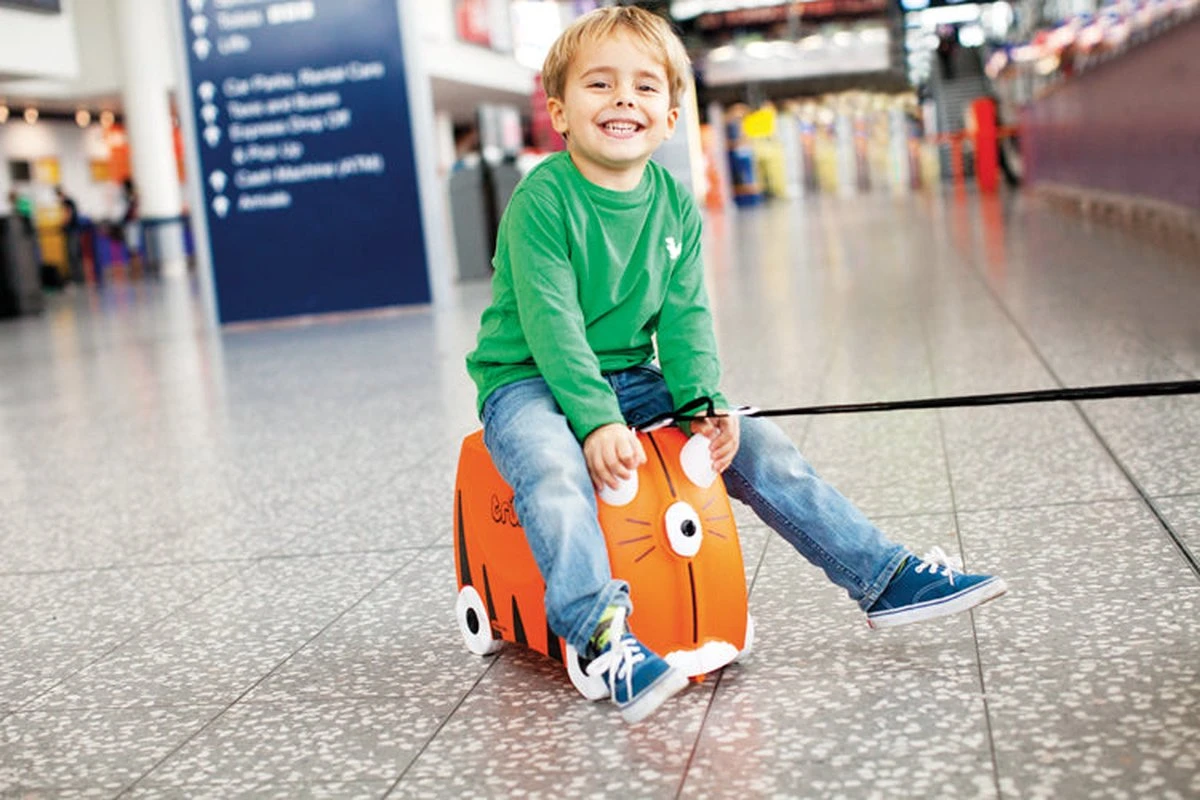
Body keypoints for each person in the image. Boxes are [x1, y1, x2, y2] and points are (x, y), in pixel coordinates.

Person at [465, 6, 1007, 725]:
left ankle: (883, 577)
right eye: (600, 84)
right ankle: (597, 634)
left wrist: (703, 405)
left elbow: (685, 319)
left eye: (645, 87)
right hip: (527, 380)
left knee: (758, 441)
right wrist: (594, 423)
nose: (624, 99)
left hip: (627, 376)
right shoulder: (542, 201)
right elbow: (553, 325)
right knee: (551, 465)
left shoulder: (673, 206)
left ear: (669, 118)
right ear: (560, 111)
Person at [55, 186, 83, 283]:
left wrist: (63, 224)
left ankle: (77, 278)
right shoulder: (69, 201)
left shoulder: (67, 202)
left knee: (73, 254)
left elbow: (68, 214)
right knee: (73, 254)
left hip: (72, 231)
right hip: (73, 231)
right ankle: (77, 277)